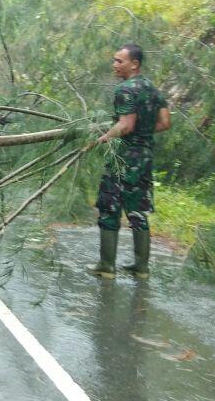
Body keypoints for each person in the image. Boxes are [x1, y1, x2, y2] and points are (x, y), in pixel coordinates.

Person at [90, 43, 171, 279]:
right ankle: (142, 268)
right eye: (114, 60)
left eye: (119, 61)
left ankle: (106, 266)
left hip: (123, 157)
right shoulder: (153, 89)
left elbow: (125, 125)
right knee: (137, 210)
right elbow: (165, 123)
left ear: (134, 64)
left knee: (109, 207)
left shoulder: (125, 90)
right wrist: (142, 133)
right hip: (144, 156)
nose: (114, 65)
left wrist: (103, 138)